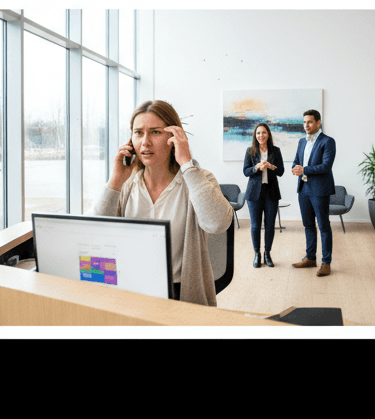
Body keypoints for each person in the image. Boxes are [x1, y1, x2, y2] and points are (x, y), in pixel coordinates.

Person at [94, 100, 235, 305]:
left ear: (174, 137)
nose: (145, 142)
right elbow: (95, 233)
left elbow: (217, 223)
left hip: (180, 294)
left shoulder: (197, 179)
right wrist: (115, 180)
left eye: (155, 132)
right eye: (138, 133)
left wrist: (186, 163)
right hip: (131, 291)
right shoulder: (126, 184)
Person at [291, 108, 336, 276]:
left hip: (319, 190)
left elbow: (326, 166)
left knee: (324, 226)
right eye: (304, 122)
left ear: (318, 123)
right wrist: (295, 169)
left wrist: (305, 169)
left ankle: (326, 263)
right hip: (303, 189)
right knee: (308, 225)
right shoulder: (302, 141)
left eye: (309, 122)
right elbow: (296, 161)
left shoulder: (328, 141)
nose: (306, 125)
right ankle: (310, 258)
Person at [243, 123, 285, 269]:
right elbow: (245, 171)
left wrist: (271, 166)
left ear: (268, 134)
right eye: (258, 133)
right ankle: (257, 254)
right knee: (255, 226)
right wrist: (256, 167)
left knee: (270, 225)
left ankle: (267, 253)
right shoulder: (250, 151)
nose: (261, 135)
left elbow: (281, 171)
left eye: (264, 133)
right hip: (254, 193)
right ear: (255, 135)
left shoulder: (276, 151)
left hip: (271, 192)